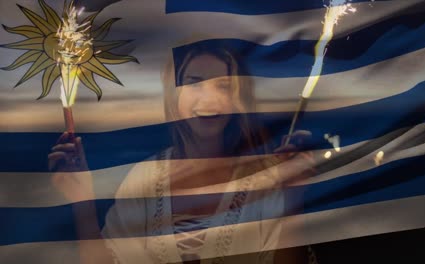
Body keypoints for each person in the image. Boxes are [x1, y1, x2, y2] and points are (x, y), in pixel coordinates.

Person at [49, 43, 315, 264]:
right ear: (173, 95)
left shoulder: (266, 177)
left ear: (238, 96)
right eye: (195, 83)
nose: (209, 100)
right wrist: (82, 201)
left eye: (223, 86)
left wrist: (293, 200)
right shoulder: (144, 178)